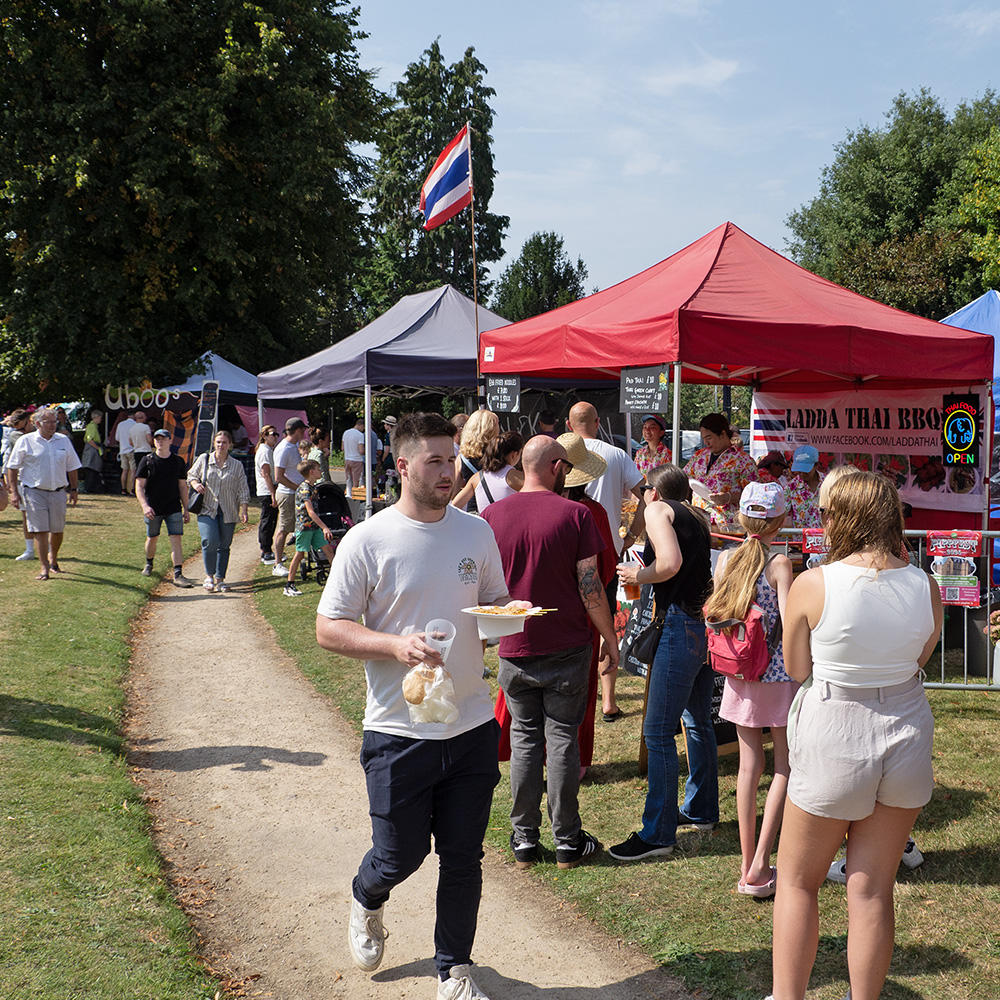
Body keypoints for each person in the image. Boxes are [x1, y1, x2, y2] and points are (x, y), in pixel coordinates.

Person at [316, 412, 522, 1000]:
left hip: (471, 724)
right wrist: (393, 645)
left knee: (463, 857)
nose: (447, 469)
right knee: (398, 855)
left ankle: (453, 972)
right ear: (402, 465)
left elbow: (494, 603)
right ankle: (366, 895)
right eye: (434, 460)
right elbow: (328, 628)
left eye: (451, 458)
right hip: (396, 730)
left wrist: (507, 616)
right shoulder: (368, 538)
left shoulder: (475, 532)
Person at [766, 471, 942, 1000]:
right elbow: (920, 660)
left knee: (798, 882)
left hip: (837, 726)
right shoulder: (924, 585)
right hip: (906, 726)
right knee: (872, 889)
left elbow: (797, 669)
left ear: (838, 518)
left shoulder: (814, 583)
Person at [482, 435, 619, 871]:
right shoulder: (576, 514)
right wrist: (611, 639)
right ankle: (567, 841)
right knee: (561, 740)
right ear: (559, 468)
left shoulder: (490, 516)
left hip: (514, 646)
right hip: (566, 646)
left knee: (524, 740)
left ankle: (524, 840)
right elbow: (590, 587)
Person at [609, 463, 716, 861]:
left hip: (679, 626)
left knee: (657, 734)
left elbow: (668, 563)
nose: (639, 504)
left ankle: (657, 834)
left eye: (640, 496)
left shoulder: (658, 510)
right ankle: (701, 809)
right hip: (703, 624)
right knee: (697, 720)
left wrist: (640, 571)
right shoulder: (696, 515)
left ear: (652, 492)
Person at [704, 482, 795, 896]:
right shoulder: (780, 563)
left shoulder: (725, 561)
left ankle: (746, 866)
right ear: (781, 520)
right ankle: (760, 865)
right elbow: (792, 623)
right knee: (784, 768)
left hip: (738, 676)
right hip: (776, 677)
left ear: (740, 518)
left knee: (747, 767)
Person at [567, 400, 646, 721]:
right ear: (598, 422)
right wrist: (631, 535)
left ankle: (578, 692)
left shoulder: (562, 452)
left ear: (569, 425)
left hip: (567, 549)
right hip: (606, 551)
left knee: (573, 623)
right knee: (605, 624)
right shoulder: (616, 454)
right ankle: (608, 700)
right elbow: (647, 494)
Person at [6, 408, 82, 580]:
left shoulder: (63, 440)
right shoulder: (26, 441)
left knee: (57, 529)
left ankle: (53, 558)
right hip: (34, 492)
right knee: (40, 530)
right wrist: (14, 493)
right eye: (49, 422)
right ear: (38, 423)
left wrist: (75, 489)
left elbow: (72, 466)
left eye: (55, 422)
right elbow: (12, 467)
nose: (53, 425)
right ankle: (44, 568)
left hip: (58, 491)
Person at [187, 429, 250, 593]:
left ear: (230, 444)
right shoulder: (204, 459)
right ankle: (209, 576)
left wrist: (244, 509)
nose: (221, 445)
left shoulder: (237, 465)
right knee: (209, 540)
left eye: (224, 442)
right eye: (218, 442)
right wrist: (195, 485)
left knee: (224, 545)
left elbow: (243, 488)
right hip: (207, 508)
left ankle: (221, 579)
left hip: (228, 510)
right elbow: (191, 475)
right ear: (214, 443)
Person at [135, 428, 194, 587]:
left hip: (173, 507)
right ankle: (149, 563)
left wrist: (186, 509)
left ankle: (178, 573)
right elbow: (139, 486)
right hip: (153, 508)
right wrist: (145, 506)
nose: (160, 441)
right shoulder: (147, 460)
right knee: (152, 537)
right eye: (157, 439)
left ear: (170, 441)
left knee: (176, 539)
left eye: (163, 438)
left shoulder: (178, 461)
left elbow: (183, 486)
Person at [684, 412, 759, 534]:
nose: (706, 443)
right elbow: (683, 477)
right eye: (704, 439)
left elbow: (754, 495)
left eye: (709, 438)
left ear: (723, 434)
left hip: (728, 527)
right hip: (699, 523)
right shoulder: (699, 456)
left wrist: (729, 497)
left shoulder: (743, 460)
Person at [282, 460, 336, 597]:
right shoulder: (305, 489)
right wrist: (324, 527)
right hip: (305, 528)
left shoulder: (313, 487)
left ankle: (337, 580)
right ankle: (289, 585)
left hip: (314, 527)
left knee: (328, 550)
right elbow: (310, 512)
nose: (320, 471)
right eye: (318, 469)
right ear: (312, 471)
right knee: (300, 554)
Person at [449, 430, 524, 512]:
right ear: (514, 454)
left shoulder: (476, 478)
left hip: (483, 524)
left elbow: (455, 505)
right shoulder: (518, 478)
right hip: (509, 524)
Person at [272, 417, 308, 575]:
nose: (304, 433)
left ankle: (296, 558)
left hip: (295, 493)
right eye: (303, 430)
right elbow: (278, 477)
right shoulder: (284, 448)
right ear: (298, 430)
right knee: (284, 529)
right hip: (287, 495)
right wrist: (298, 488)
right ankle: (277, 564)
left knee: (299, 527)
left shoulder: (294, 446)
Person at [3, 409, 37, 560]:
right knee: (26, 516)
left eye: (23, 427)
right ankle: (30, 549)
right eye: (18, 428)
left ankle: (48, 549)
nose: (21, 431)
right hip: (25, 479)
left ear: (30, 420)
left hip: (41, 479)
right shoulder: (16, 436)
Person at [453, 409, 499, 513]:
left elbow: (453, 492)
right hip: (497, 509)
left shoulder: (462, 457)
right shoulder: (500, 454)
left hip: (474, 511)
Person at [254, 425, 279, 564]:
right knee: (268, 520)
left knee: (271, 519)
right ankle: (266, 550)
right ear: (264, 436)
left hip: (269, 489)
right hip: (266, 490)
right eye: (272, 434)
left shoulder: (269, 450)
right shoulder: (264, 451)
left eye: (277, 434)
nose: (275, 436)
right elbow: (266, 474)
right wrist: (272, 494)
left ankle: (267, 548)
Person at [786, 445, 824, 530]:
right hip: (800, 541)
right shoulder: (791, 487)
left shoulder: (828, 483)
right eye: (799, 470)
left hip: (824, 540)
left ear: (816, 465)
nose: (802, 473)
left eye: (806, 470)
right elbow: (781, 512)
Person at [633, 413, 672, 479]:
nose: (647, 430)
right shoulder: (640, 453)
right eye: (645, 427)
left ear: (661, 432)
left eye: (652, 427)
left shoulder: (667, 455)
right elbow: (634, 476)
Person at [81, 409, 105, 494]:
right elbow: (89, 439)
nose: (101, 419)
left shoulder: (94, 426)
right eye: (100, 417)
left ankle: (90, 487)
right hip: (92, 450)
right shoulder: (91, 426)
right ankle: (88, 488)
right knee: (91, 470)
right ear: (96, 417)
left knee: (93, 470)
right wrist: (98, 449)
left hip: (93, 449)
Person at [115, 409, 137, 495]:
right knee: (133, 470)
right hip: (132, 449)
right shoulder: (135, 425)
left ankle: (123, 489)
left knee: (124, 470)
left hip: (122, 449)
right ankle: (132, 489)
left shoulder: (121, 424)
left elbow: (117, 438)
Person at [342, 416, 365, 493]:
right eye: (363, 428)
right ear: (362, 425)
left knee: (348, 480)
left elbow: (342, 448)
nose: (363, 430)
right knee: (356, 481)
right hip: (357, 460)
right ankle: (355, 498)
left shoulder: (346, 433)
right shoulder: (360, 435)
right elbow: (361, 451)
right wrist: (367, 452)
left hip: (347, 459)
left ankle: (348, 495)